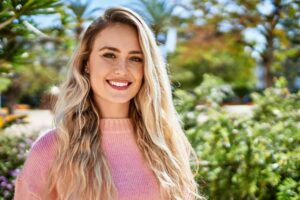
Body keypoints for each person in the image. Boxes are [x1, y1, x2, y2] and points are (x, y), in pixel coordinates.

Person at [14, 7, 202, 200]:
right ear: (86, 62)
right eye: (109, 55)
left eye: (135, 58)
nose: (122, 69)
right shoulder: (51, 148)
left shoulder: (166, 143)